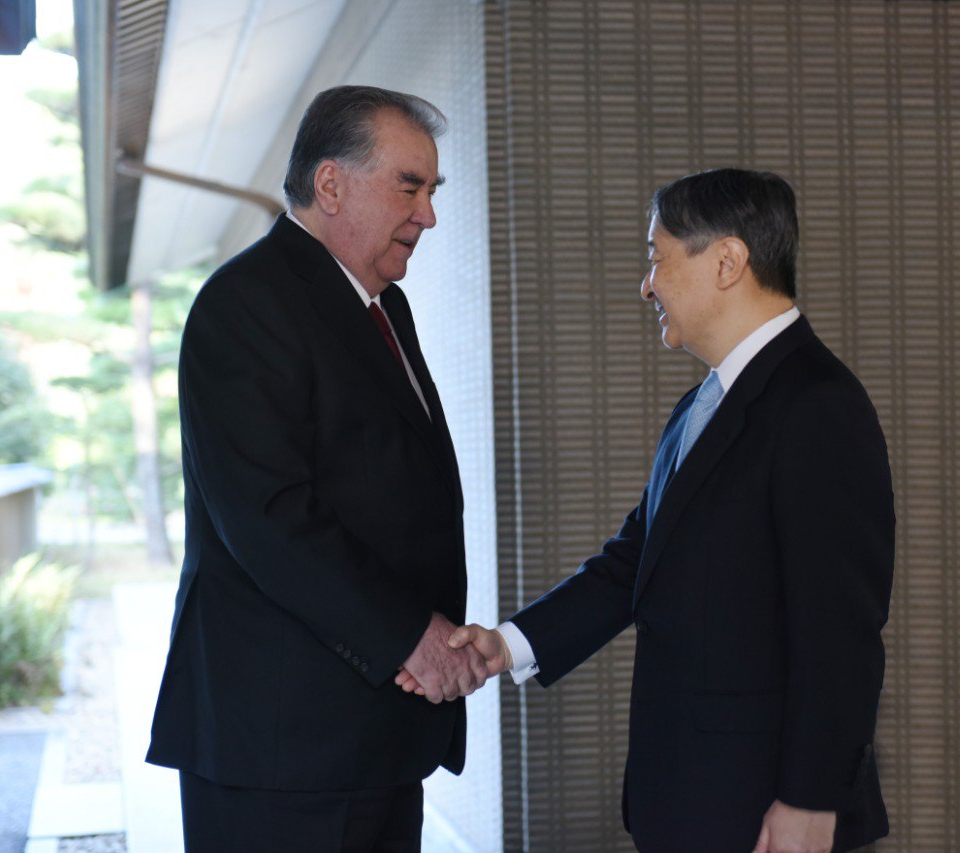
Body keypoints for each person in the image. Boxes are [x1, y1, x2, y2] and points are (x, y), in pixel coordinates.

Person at [411, 169, 895, 852]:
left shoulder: (819, 405)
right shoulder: (701, 406)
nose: (647, 285)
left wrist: (811, 800)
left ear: (727, 261)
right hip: (692, 800)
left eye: (657, 257)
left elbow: (841, 632)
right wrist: (506, 645)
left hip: (766, 810)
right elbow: (635, 562)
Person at [147, 85, 488, 852]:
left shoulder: (382, 305)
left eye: (432, 191)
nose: (428, 215)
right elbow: (269, 518)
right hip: (282, 749)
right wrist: (414, 638)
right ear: (331, 183)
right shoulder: (246, 302)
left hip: (376, 737)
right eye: (410, 187)